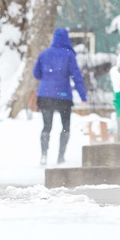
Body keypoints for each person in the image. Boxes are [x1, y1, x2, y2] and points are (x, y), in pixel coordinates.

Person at [33, 27, 87, 166]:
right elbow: (76, 76)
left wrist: (48, 79)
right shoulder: (69, 55)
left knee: (46, 126)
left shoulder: (44, 54)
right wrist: (83, 96)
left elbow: (36, 74)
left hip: (45, 96)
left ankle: (43, 155)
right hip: (63, 96)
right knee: (65, 127)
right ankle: (60, 156)